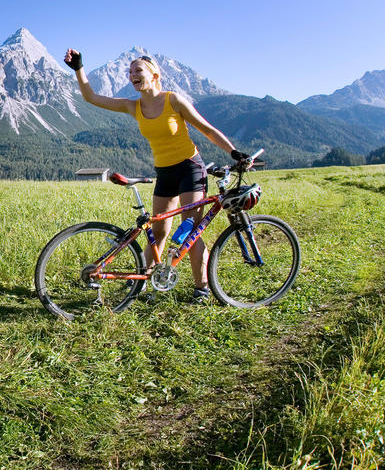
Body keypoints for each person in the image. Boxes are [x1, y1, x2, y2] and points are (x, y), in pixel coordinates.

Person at [63, 49, 248, 303]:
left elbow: (206, 129)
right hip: (164, 173)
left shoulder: (173, 100)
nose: (132, 75)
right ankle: (143, 285)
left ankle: (202, 289)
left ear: (154, 75)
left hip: (189, 168)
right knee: (158, 233)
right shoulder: (133, 106)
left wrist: (234, 152)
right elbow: (91, 97)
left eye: (137, 70)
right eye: (129, 72)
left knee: (190, 231)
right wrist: (79, 69)